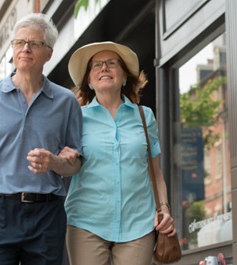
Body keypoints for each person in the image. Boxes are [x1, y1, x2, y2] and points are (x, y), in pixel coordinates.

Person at [0, 13, 83, 265]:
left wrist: (55, 162)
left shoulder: (66, 102)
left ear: (49, 53)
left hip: (47, 212)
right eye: (19, 42)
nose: (25, 48)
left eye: (34, 43)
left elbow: (75, 163)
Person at [60, 41, 176, 265]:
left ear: (124, 77)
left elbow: (155, 172)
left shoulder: (145, 116)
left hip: (138, 223)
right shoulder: (75, 118)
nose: (104, 68)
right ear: (89, 82)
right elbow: (67, 162)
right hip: (86, 222)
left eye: (111, 63)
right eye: (96, 65)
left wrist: (164, 209)